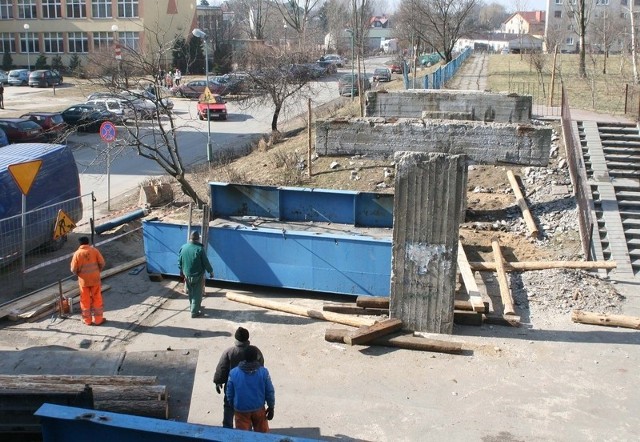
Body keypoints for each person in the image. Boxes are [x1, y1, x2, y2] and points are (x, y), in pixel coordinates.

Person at [213, 327, 264, 428]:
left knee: (228, 407)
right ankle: (246, 430)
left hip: (231, 387)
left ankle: (227, 428)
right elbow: (261, 367)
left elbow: (222, 368)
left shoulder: (229, 352)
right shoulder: (255, 351)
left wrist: (218, 381)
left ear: (236, 339)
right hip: (249, 387)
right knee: (246, 409)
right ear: (247, 338)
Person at [226, 345, 275, 433]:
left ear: (243, 357)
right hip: (259, 409)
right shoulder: (263, 372)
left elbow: (229, 393)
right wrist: (271, 407)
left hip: (241, 410)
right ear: (256, 357)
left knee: (243, 437)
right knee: (262, 436)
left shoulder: (233, 373)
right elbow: (269, 391)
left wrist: (232, 405)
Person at [70, 236, 106, 325]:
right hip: (95, 279)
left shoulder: (77, 254)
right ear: (88, 242)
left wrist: (78, 274)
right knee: (97, 298)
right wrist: (97, 271)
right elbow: (102, 263)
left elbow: (73, 269)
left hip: (84, 281)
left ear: (80, 244)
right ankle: (98, 320)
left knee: (85, 300)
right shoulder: (94, 251)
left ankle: (87, 320)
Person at [178, 230, 213, 317]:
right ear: (198, 239)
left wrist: (181, 271)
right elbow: (206, 262)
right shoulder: (199, 249)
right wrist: (211, 271)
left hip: (187, 275)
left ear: (190, 238)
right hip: (198, 275)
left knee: (191, 292)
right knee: (197, 293)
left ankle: (192, 306)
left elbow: (180, 261)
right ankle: (194, 312)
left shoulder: (183, 247)